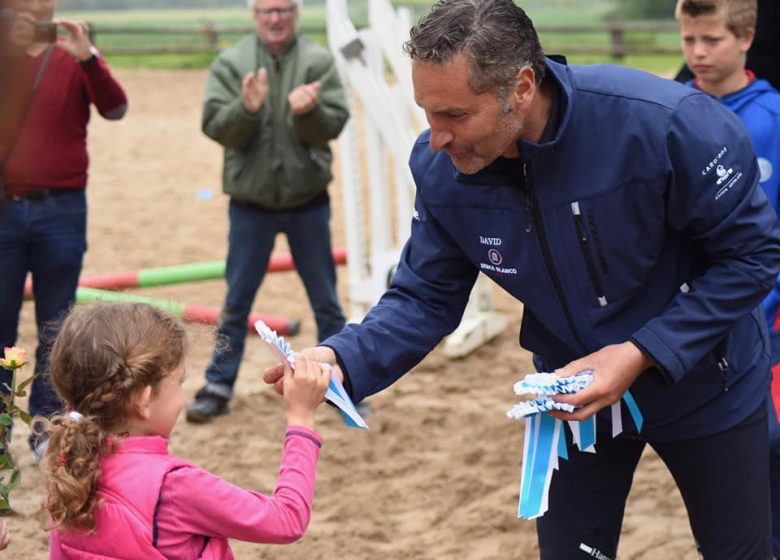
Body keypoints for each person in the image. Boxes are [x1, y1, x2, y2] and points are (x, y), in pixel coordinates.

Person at [262, 0, 780, 558]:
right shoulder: (444, 169)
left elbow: (753, 256)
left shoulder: (668, 125)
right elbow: (423, 297)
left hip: (708, 383)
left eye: (455, 115)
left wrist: (638, 352)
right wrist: (341, 359)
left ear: (524, 87)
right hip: (575, 400)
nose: (435, 137)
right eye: (427, 112)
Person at [41, 302, 331, 558]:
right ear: (143, 401)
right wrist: (301, 417)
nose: (183, 398)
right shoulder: (174, 486)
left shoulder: (70, 467)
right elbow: (286, 520)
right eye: (178, 383)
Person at [187, 0, 350, 423]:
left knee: (326, 300)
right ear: (253, 14)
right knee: (236, 302)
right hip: (251, 205)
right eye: (266, 10)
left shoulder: (318, 61)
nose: (275, 18)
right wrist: (248, 108)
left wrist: (309, 112)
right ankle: (218, 386)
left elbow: (334, 125)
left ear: (296, 13)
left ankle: (345, 385)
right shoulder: (231, 62)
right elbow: (216, 127)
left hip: (308, 201)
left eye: (283, 9)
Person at [0, 0, 127, 461]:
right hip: (4, 209)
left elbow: (115, 109)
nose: (34, 5)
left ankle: (45, 432)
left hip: (62, 209)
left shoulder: (73, 53)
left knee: (57, 327)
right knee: (1, 330)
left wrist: (88, 58)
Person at [675, 1, 780, 557]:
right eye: (689, 39)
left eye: (711, 39)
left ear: (746, 37)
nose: (697, 53)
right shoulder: (672, 114)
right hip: (697, 321)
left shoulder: (773, 119)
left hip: (766, 314)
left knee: (768, 439)